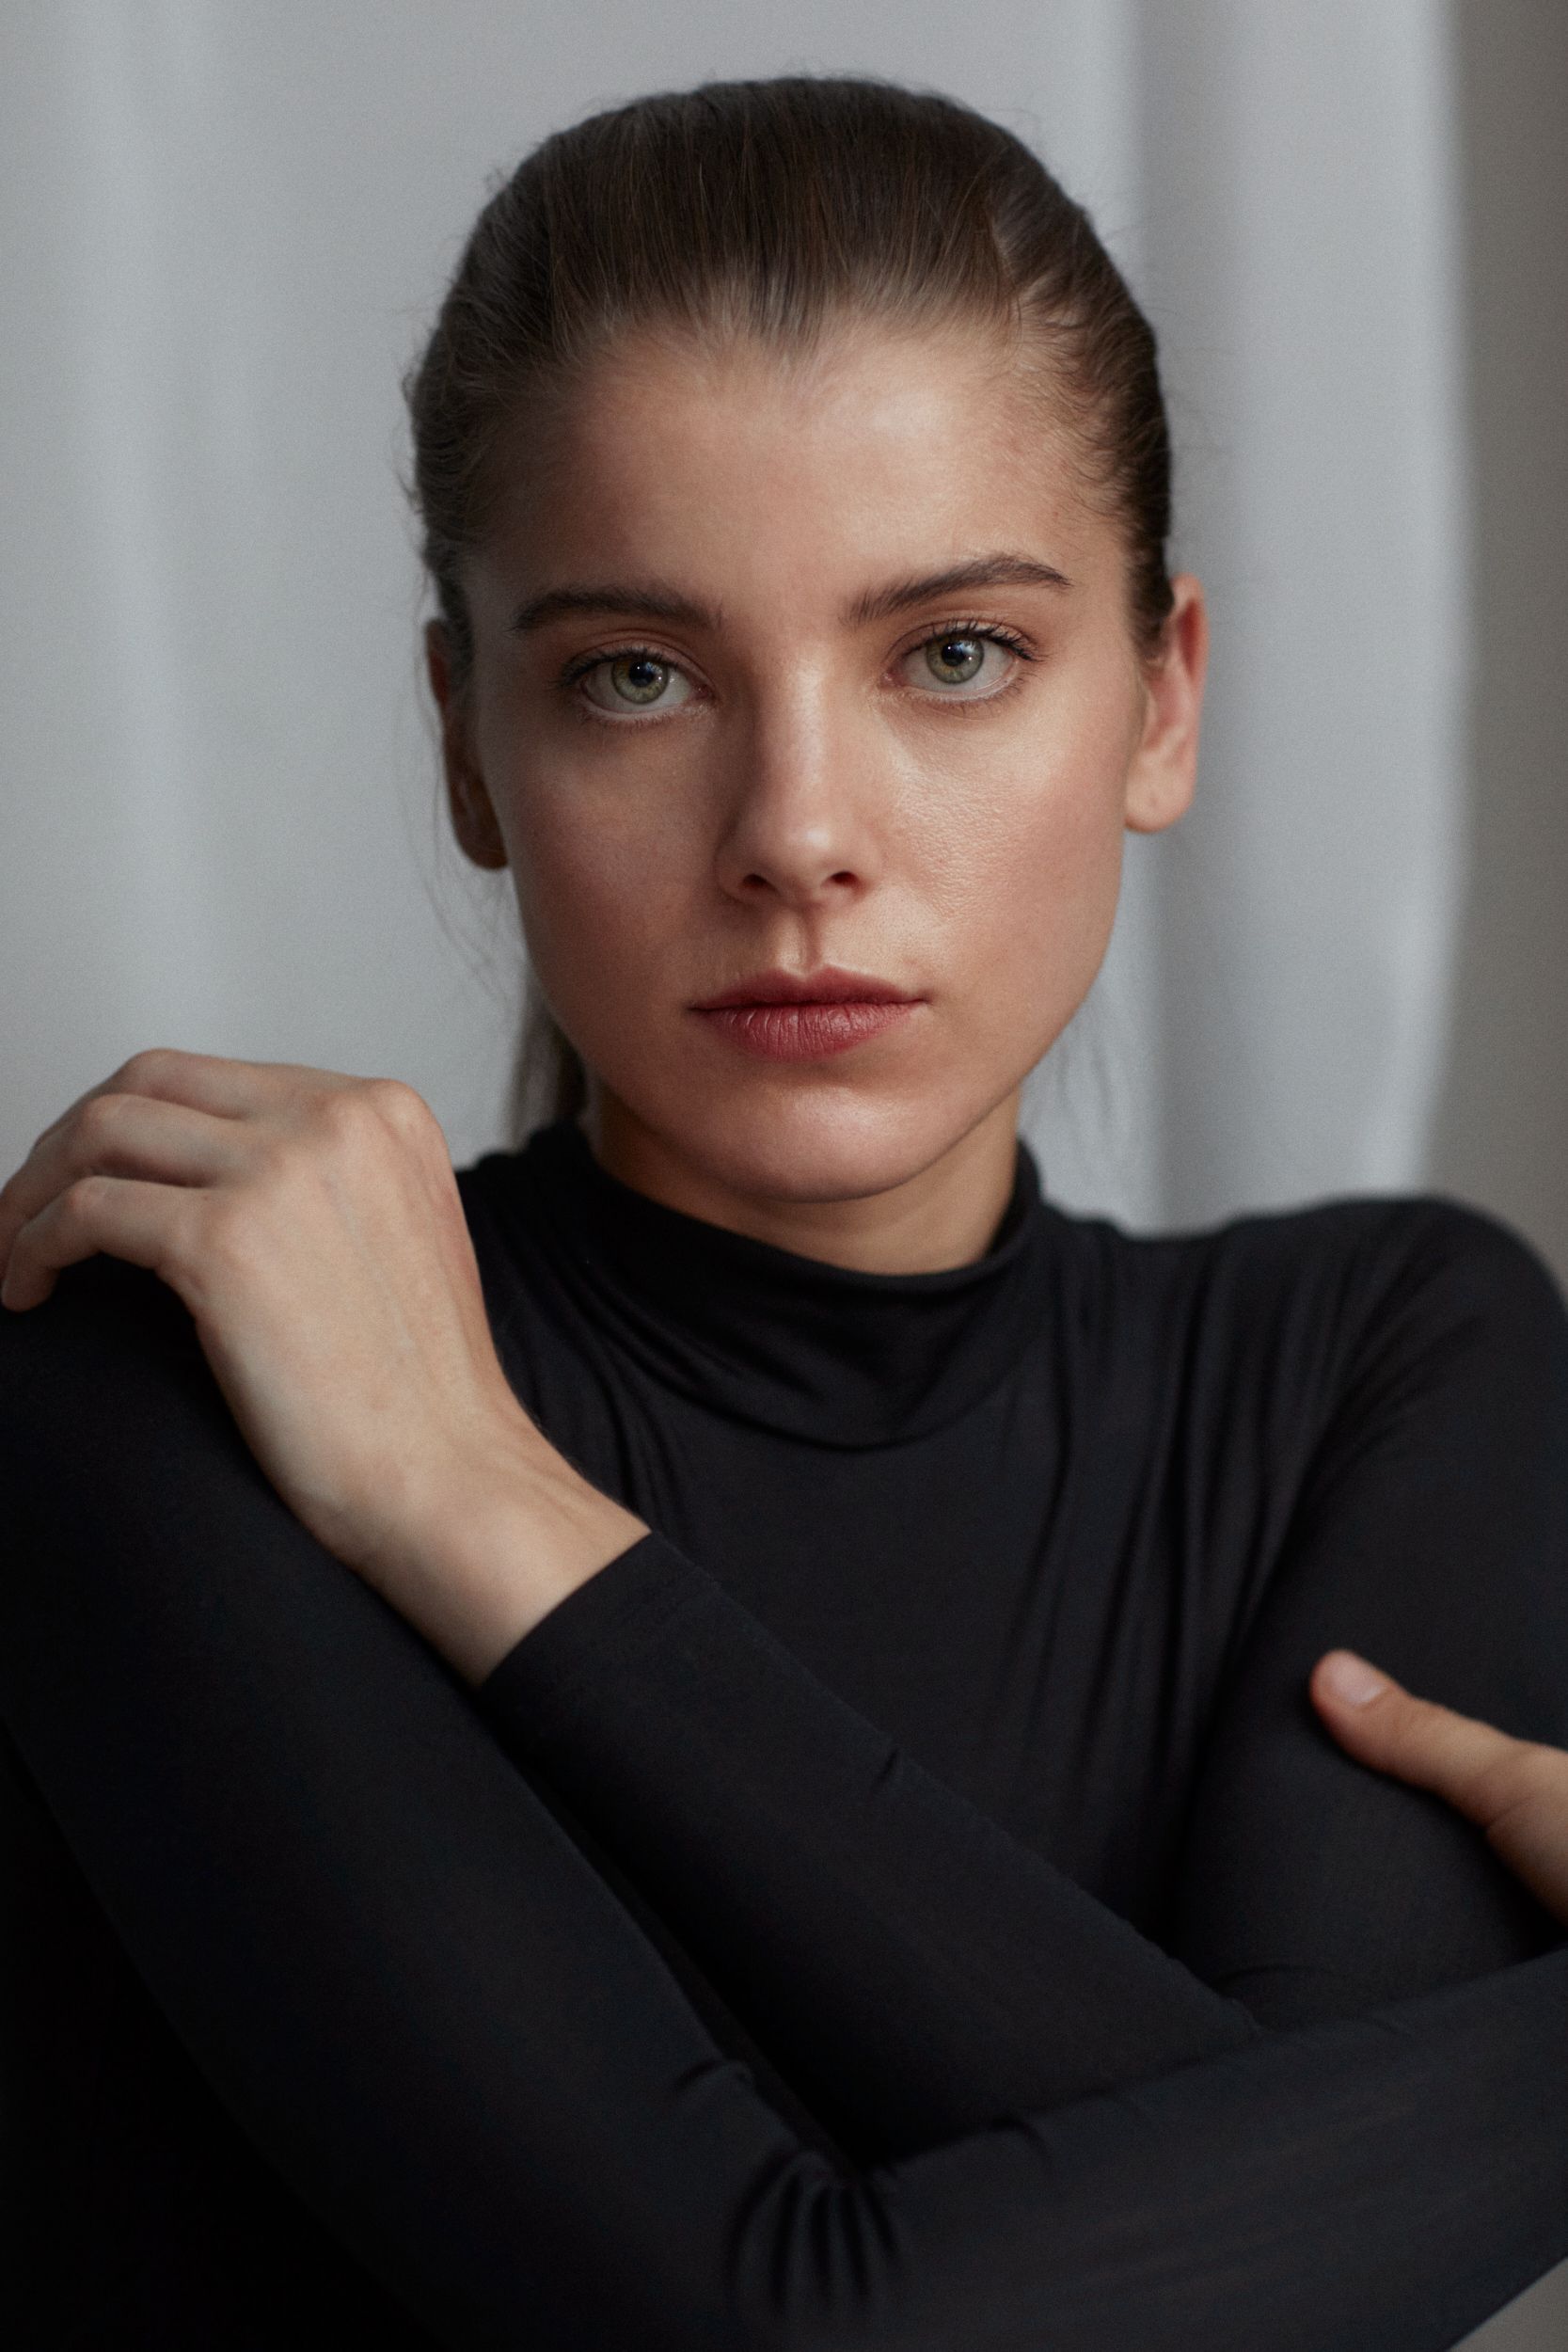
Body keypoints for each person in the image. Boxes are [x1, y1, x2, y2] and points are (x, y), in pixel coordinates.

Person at [1, 72, 1566, 2352]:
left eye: (954, 651)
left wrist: (465, 1494)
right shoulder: (172, 1379)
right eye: (636, 676)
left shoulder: (1391, 1355)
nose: (797, 832)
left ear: (1162, 700)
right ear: (465, 740)